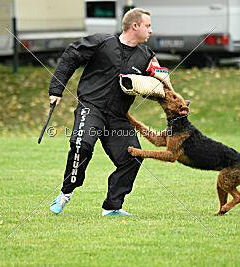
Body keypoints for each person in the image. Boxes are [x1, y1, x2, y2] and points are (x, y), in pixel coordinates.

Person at [49, 8, 159, 216]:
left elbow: (161, 82)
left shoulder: (146, 56)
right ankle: (66, 192)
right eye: (148, 26)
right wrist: (56, 89)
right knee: (82, 145)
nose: (151, 31)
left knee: (133, 157)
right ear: (134, 26)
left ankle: (112, 207)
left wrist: (158, 87)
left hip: (118, 117)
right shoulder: (102, 42)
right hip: (91, 108)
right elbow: (71, 54)